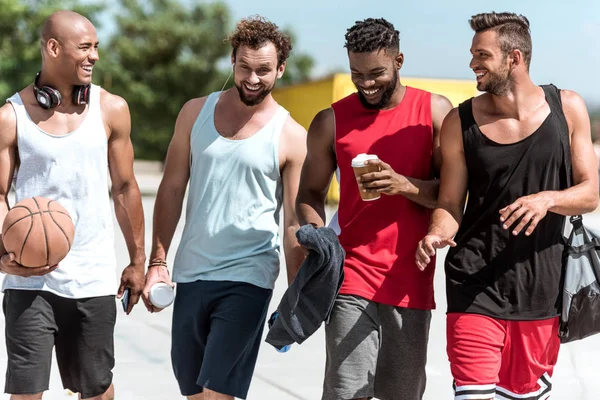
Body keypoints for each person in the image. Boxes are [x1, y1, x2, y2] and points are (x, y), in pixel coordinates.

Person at [416, 12, 599, 400]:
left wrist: (549, 198)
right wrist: (435, 233)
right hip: (473, 282)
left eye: (481, 55)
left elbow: (591, 193)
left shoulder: (568, 108)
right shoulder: (458, 122)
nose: (472, 64)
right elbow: (450, 202)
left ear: (514, 58)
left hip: (541, 290)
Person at [141, 16, 306, 400]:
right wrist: (157, 263)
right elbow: (171, 188)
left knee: (218, 393)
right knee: (194, 391)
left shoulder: (292, 135)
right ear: (232, 61)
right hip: (192, 272)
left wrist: (297, 294)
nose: (252, 78)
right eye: (244, 67)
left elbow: (293, 223)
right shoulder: (193, 113)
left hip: (249, 275)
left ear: (280, 68)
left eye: (264, 70)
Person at [296, 17, 452, 400]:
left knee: (403, 393)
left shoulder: (435, 112)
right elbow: (309, 193)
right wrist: (317, 236)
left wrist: (404, 184)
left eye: (377, 73)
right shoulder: (330, 121)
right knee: (345, 392)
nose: (366, 83)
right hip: (350, 276)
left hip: (410, 282)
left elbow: (452, 196)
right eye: (356, 73)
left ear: (399, 60)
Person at [0, 10, 146, 400]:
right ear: (52, 48)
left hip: (92, 277)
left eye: (96, 47)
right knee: (26, 393)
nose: (94, 56)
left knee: (96, 390)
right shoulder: (11, 117)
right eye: (84, 47)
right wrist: (3, 253)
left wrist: (138, 261)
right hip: (29, 280)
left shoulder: (111, 108)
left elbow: (125, 188)